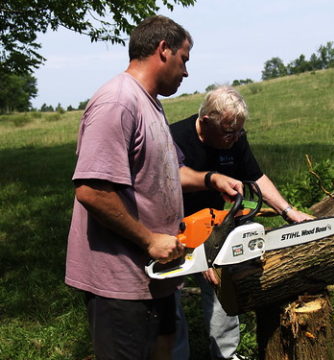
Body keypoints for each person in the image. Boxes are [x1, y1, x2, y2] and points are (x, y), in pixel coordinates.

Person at [65, 17, 243, 360]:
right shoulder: (117, 102)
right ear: (164, 50)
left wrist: (210, 179)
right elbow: (91, 190)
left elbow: (165, 172)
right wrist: (149, 240)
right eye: (184, 59)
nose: (186, 72)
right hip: (120, 281)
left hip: (155, 273)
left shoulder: (150, 103)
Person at [170, 86, 312, 360]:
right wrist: (199, 253)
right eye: (228, 132)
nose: (234, 139)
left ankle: (226, 354)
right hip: (175, 225)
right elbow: (169, 184)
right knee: (170, 296)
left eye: (239, 132)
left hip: (215, 223)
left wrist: (288, 211)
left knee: (224, 280)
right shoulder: (176, 138)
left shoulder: (234, 138)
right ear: (206, 120)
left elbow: (255, 177)